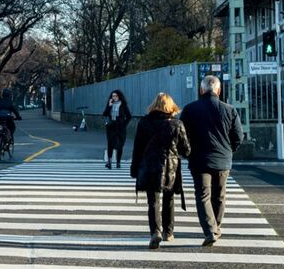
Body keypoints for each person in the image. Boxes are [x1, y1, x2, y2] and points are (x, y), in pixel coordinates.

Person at [179, 74, 243, 247]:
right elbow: (238, 136)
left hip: (199, 160)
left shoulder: (190, 109)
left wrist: (187, 153)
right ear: (219, 90)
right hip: (222, 159)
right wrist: (229, 151)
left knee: (203, 196)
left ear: (201, 90)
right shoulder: (229, 109)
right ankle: (216, 228)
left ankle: (209, 230)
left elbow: (181, 135)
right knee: (219, 196)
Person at [129, 92, 191, 250]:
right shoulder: (176, 124)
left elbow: (137, 148)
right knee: (169, 199)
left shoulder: (143, 123)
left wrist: (134, 168)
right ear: (170, 106)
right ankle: (168, 232)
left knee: (153, 201)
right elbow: (186, 150)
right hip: (170, 167)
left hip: (149, 165)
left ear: (154, 105)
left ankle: (155, 231)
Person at [102, 89, 133, 169]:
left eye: (115, 96)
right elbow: (104, 114)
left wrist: (124, 124)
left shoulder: (123, 105)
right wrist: (109, 106)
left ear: (119, 96)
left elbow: (129, 116)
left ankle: (118, 162)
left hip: (120, 127)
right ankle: (109, 162)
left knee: (120, 145)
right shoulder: (110, 104)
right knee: (110, 144)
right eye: (112, 96)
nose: (114, 97)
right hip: (111, 126)